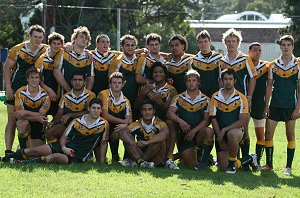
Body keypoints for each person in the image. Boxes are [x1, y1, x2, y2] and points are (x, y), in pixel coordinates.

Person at [1, 98, 109, 164]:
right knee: (33, 151)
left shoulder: (103, 124)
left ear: (101, 110)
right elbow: (64, 137)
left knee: (52, 158)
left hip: (76, 155)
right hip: (65, 147)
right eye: (94, 108)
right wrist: (63, 147)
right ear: (89, 109)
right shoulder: (77, 121)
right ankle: (4, 159)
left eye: (98, 108)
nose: (96, 111)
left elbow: (103, 143)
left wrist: (102, 162)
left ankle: (21, 163)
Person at [3, 25, 47, 155]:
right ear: (29, 36)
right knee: (12, 121)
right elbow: (7, 67)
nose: (38, 39)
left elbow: (63, 46)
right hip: (16, 89)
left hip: (36, 92)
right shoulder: (18, 49)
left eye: (40, 37)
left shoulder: (45, 49)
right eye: (35, 37)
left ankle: (27, 148)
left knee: (36, 119)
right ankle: (8, 151)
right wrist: (8, 87)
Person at [261, 35, 300, 176]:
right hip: (275, 105)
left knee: (290, 136)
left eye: (288, 45)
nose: (286, 47)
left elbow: (299, 88)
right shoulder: (273, 65)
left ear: (292, 47)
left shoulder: (298, 65)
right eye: (283, 45)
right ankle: (269, 164)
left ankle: (288, 167)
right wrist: (266, 106)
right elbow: (269, 86)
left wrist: (297, 108)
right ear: (280, 47)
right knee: (268, 134)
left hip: (290, 106)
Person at [219, 28, 257, 164]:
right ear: (225, 43)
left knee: (244, 131)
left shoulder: (245, 59)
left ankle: (246, 159)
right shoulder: (222, 61)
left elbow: (253, 78)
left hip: (242, 101)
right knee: (231, 129)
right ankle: (239, 160)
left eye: (233, 41)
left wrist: (250, 97)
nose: (231, 44)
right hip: (226, 102)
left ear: (238, 43)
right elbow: (220, 81)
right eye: (228, 41)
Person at [210, 69, 258, 174]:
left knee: (232, 133)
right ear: (222, 81)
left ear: (235, 81)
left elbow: (243, 121)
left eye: (230, 79)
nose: (228, 81)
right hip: (221, 135)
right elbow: (213, 118)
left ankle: (232, 165)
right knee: (223, 167)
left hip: (236, 132)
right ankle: (249, 158)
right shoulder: (215, 96)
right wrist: (220, 136)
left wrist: (225, 130)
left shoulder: (241, 97)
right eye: (225, 79)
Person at [167, 70, 214, 169]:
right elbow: (169, 113)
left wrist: (194, 131)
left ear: (198, 82)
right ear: (185, 83)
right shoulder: (179, 98)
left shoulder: (206, 100)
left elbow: (206, 120)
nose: (191, 82)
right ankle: (190, 155)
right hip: (185, 135)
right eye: (189, 80)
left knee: (209, 131)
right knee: (191, 165)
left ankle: (204, 162)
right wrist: (180, 121)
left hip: (198, 133)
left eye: (194, 80)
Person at [135, 62, 178, 169]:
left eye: (160, 72)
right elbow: (136, 106)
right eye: (155, 72)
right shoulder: (146, 87)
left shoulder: (171, 90)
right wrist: (143, 93)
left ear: (165, 74)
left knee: (170, 123)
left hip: (162, 120)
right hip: (146, 120)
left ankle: (169, 157)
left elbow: (166, 108)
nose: (158, 74)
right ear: (152, 74)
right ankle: (135, 158)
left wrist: (157, 100)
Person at [45, 71, 96, 143]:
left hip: (85, 126)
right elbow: (59, 114)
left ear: (84, 82)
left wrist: (70, 115)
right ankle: (55, 150)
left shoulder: (91, 95)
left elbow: (89, 113)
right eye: (75, 80)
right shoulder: (65, 96)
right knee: (49, 131)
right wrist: (52, 123)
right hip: (67, 125)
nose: (77, 82)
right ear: (71, 82)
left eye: (80, 80)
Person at [118, 100, 169, 168]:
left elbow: (165, 133)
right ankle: (141, 163)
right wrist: (132, 143)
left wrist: (147, 142)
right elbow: (122, 132)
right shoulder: (137, 123)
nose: (147, 112)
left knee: (160, 140)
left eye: (150, 109)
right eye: (144, 110)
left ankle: (139, 162)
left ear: (154, 111)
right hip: (140, 153)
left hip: (155, 157)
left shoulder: (160, 123)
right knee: (128, 137)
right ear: (141, 112)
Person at [98, 72, 132, 162]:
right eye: (114, 82)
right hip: (102, 127)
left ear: (123, 84)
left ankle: (127, 159)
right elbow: (105, 115)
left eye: (119, 83)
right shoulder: (104, 94)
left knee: (127, 131)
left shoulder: (126, 100)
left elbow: (129, 119)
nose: (117, 85)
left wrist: (125, 124)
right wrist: (123, 122)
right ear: (110, 84)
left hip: (116, 127)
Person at [14, 67, 50, 149]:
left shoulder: (45, 95)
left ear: (40, 80)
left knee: (36, 151)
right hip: (27, 121)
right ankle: (23, 149)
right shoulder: (20, 92)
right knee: (22, 123)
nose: (34, 80)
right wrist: (36, 117)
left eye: (36, 77)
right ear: (27, 79)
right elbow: (20, 115)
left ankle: (26, 147)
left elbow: (42, 114)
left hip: (38, 124)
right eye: (32, 77)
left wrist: (26, 112)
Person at [54, 26, 93, 95]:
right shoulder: (63, 52)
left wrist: (86, 94)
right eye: (81, 37)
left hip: (81, 97)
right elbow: (56, 72)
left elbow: (90, 78)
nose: (84, 39)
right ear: (74, 39)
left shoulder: (89, 57)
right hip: (63, 95)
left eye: (86, 38)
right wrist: (68, 90)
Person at [248, 42, 269, 165]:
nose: (258, 52)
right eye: (255, 50)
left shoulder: (266, 66)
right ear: (249, 51)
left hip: (259, 104)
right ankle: (241, 159)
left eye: (260, 50)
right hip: (245, 102)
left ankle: (258, 162)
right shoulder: (244, 64)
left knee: (260, 134)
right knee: (242, 133)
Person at [109, 34, 139, 119]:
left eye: (132, 45)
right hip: (120, 100)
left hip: (136, 98)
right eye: (127, 45)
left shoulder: (138, 59)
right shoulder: (117, 61)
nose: (130, 47)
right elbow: (110, 81)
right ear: (122, 46)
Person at [35, 32, 65, 116]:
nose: (56, 46)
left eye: (58, 44)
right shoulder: (41, 59)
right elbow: (36, 79)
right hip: (44, 95)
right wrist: (49, 91)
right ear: (49, 44)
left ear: (62, 45)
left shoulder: (64, 56)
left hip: (59, 96)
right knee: (41, 122)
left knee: (57, 123)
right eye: (54, 43)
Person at [190, 30, 222, 98]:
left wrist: (220, 94)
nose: (203, 44)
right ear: (197, 43)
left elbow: (221, 78)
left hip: (216, 95)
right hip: (199, 97)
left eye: (205, 41)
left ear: (210, 42)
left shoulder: (219, 58)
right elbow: (191, 81)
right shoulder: (193, 60)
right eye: (200, 42)